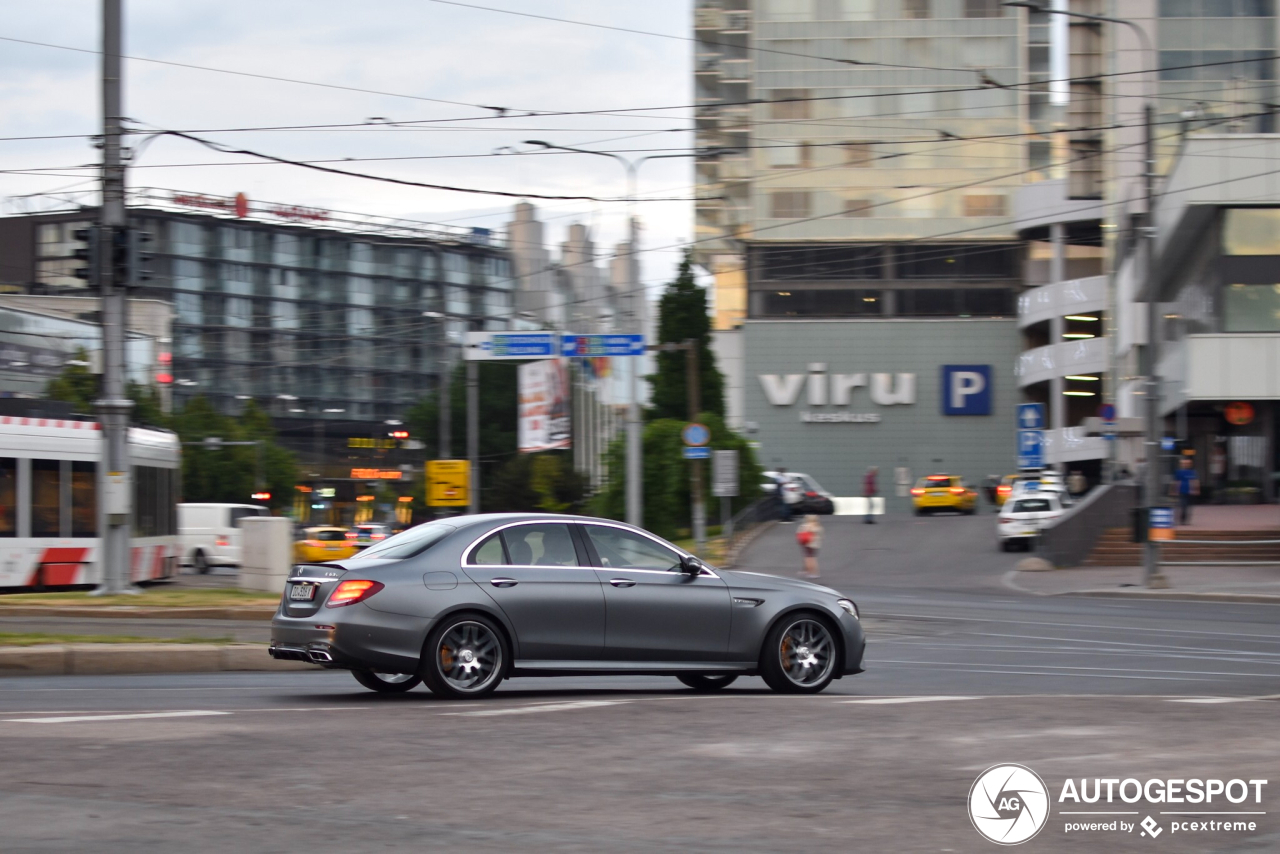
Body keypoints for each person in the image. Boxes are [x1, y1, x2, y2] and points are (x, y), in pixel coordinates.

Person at [1172, 457, 1200, 525]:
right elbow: (1176, 481)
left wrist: (1196, 489)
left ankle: (1185, 519)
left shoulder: (1192, 472)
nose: (1185, 464)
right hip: (1182, 490)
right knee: (1183, 505)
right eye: (1184, 463)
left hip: (1190, 491)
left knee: (1188, 506)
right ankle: (1182, 519)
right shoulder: (1179, 472)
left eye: (1187, 463)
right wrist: (1174, 490)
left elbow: (1195, 481)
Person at [796, 514, 823, 579]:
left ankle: (813, 573)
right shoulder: (818, 526)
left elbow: (799, 532)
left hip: (807, 544)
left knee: (809, 559)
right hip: (815, 545)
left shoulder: (805, 526)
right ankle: (808, 571)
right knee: (812, 557)